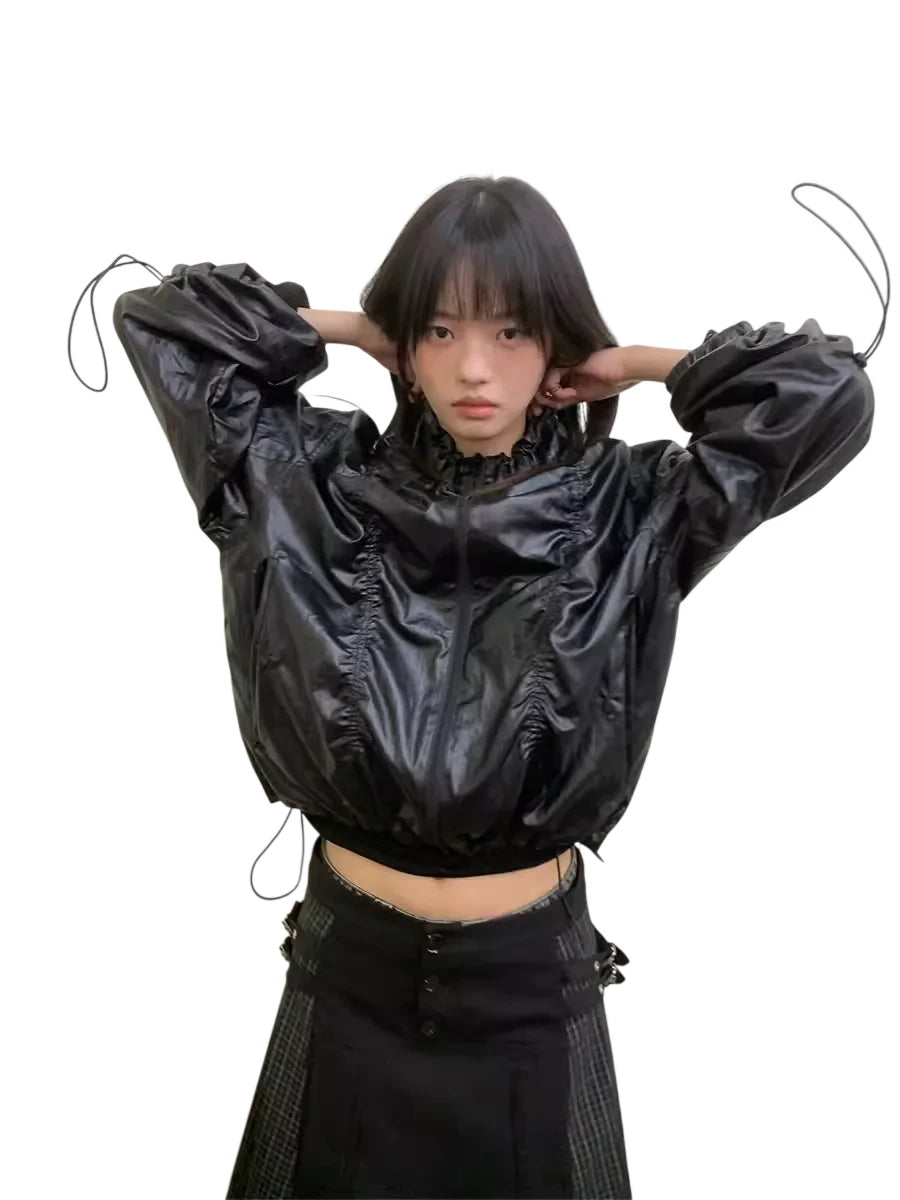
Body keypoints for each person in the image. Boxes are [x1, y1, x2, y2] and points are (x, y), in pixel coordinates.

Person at [70, 176, 883, 1199]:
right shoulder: (299, 482)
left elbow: (825, 396)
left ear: (556, 343)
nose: (472, 369)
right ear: (407, 343)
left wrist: (634, 361)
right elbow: (163, 325)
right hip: (349, 969)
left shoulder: (629, 510)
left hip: (531, 986)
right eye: (440, 330)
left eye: (511, 332)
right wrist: (357, 330)